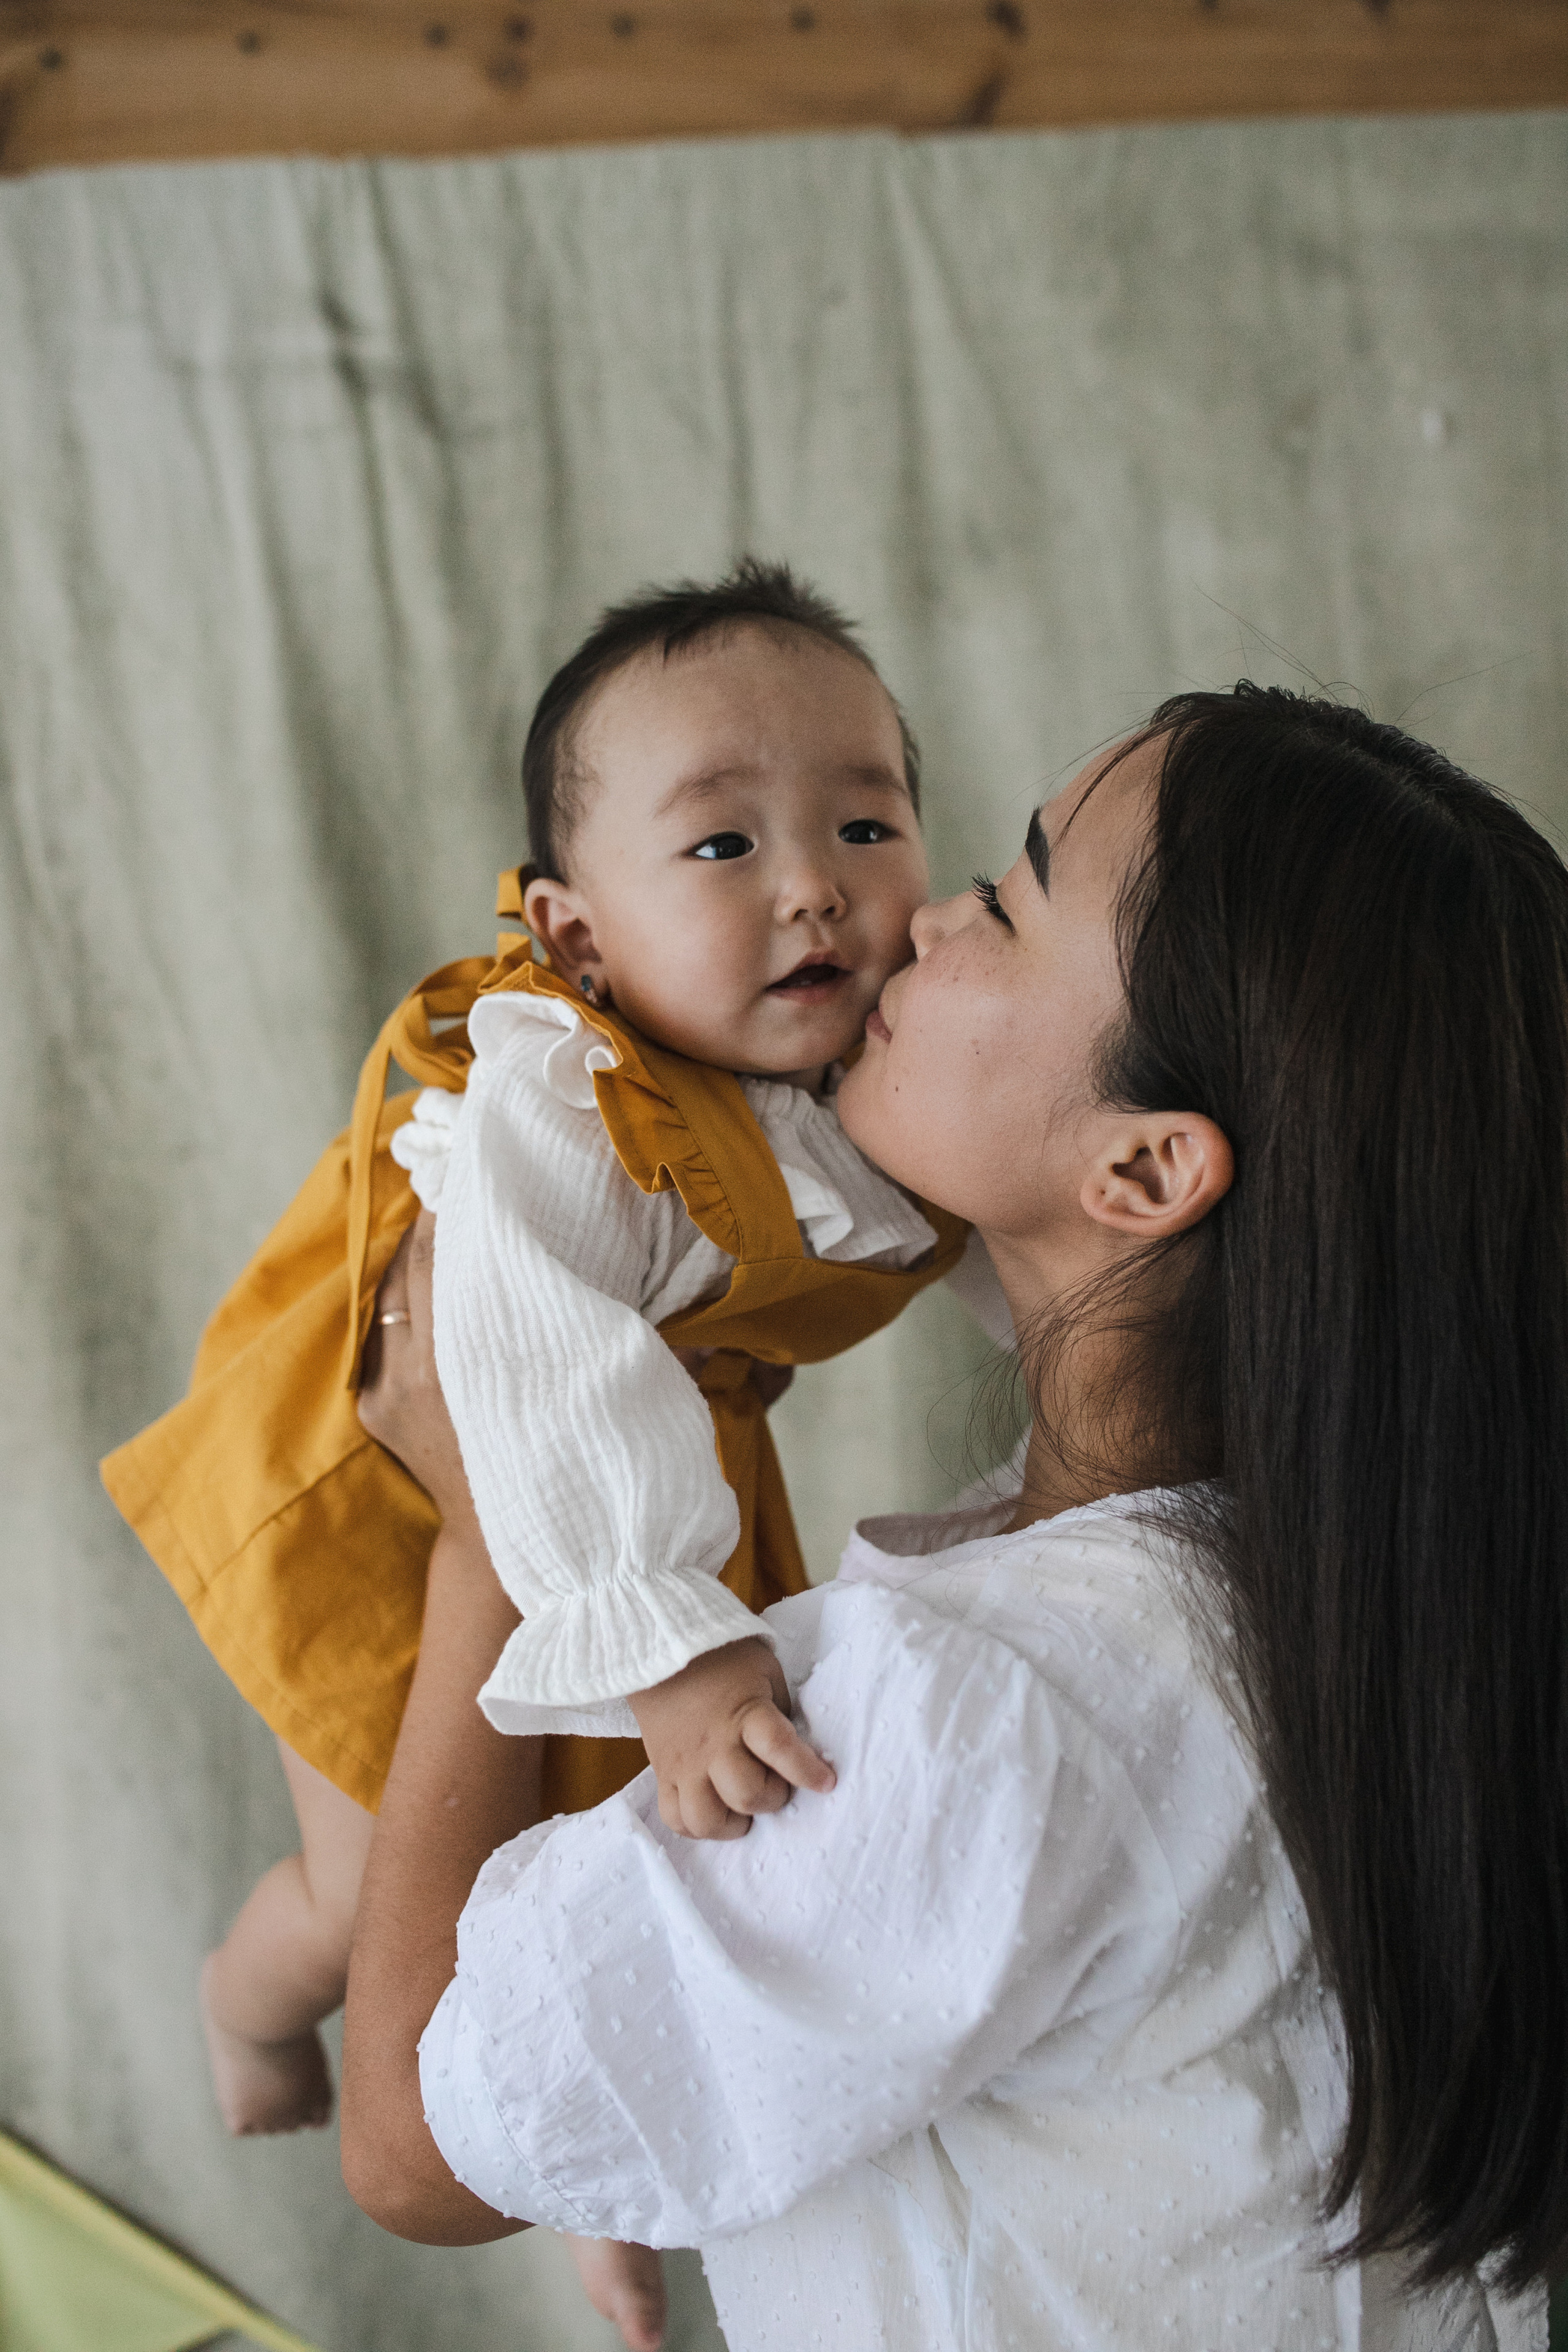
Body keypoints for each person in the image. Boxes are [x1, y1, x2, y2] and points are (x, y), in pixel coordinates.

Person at [340, 686, 1568, 2349]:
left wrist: (494, 1536)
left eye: (1010, 899)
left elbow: (419, 2150)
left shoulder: (982, 1720)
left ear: (1141, 1175)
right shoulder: (1388, 1611)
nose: (915, 917)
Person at [104, 559, 1002, 2350]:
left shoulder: (850, 1070)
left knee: (622, 1872)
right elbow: (516, 1363)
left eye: (863, 820)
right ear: (580, 936)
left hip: (638, 1480)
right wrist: (665, 1646)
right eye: (723, 846)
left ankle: (609, 2203)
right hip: (410, 1490)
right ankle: (251, 1993)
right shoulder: (558, 1100)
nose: (816, 885)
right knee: (400, 1894)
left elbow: (992, 1231)